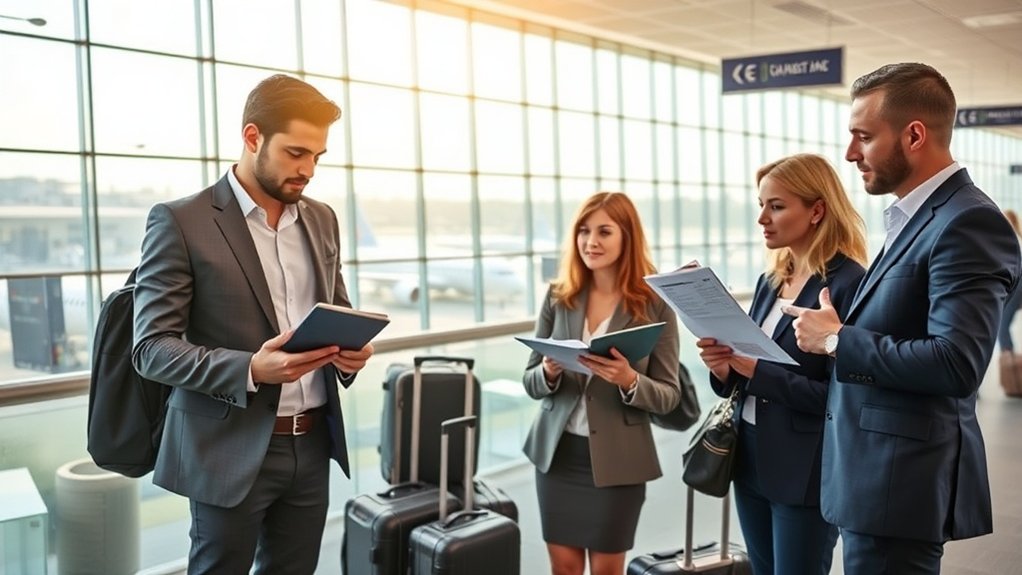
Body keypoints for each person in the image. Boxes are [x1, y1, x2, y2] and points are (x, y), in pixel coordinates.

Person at [784, 63, 1021, 575]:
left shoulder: (968, 221)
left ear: (914, 135)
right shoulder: (916, 217)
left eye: (863, 137)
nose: (850, 154)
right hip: (874, 479)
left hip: (898, 485)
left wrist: (837, 341)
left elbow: (956, 364)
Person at [132, 75, 373, 574]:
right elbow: (151, 347)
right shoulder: (181, 221)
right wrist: (253, 369)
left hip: (312, 442)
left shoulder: (322, 219)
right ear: (252, 136)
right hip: (227, 448)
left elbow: (338, 308)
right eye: (296, 152)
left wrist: (351, 354)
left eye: (318, 157)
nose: (307, 169)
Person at [696, 153, 867, 575]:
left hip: (804, 467)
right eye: (761, 205)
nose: (762, 219)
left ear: (816, 211)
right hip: (749, 455)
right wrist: (724, 368)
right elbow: (747, 368)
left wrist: (756, 371)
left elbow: (842, 396)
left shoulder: (848, 283)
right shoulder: (771, 280)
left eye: (776, 206)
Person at [521, 191, 681, 575]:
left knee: (608, 570)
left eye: (604, 232)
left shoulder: (653, 305)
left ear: (627, 236)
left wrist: (629, 380)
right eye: (584, 231)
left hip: (618, 462)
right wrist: (548, 372)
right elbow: (529, 380)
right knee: (564, 569)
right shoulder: (560, 296)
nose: (591, 241)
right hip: (558, 457)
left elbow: (669, 397)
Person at [998, 209, 1022, 353]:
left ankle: (1009, 362)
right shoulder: (1013, 239)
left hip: (1017, 284)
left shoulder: (1013, 240)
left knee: (1002, 324)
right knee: (1002, 324)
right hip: (1014, 284)